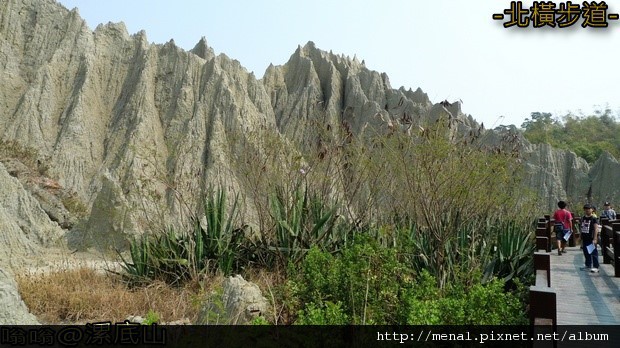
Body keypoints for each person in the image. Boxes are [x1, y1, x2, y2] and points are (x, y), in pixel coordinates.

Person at [579, 203, 599, 273]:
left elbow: (596, 228)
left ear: (592, 210)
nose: (587, 210)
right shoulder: (583, 218)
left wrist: (595, 238)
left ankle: (596, 266)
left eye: (588, 209)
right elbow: (582, 227)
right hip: (585, 237)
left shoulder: (594, 218)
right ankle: (588, 265)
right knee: (586, 252)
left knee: (593, 252)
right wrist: (580, 236)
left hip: (591, 237)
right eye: (585, 209)